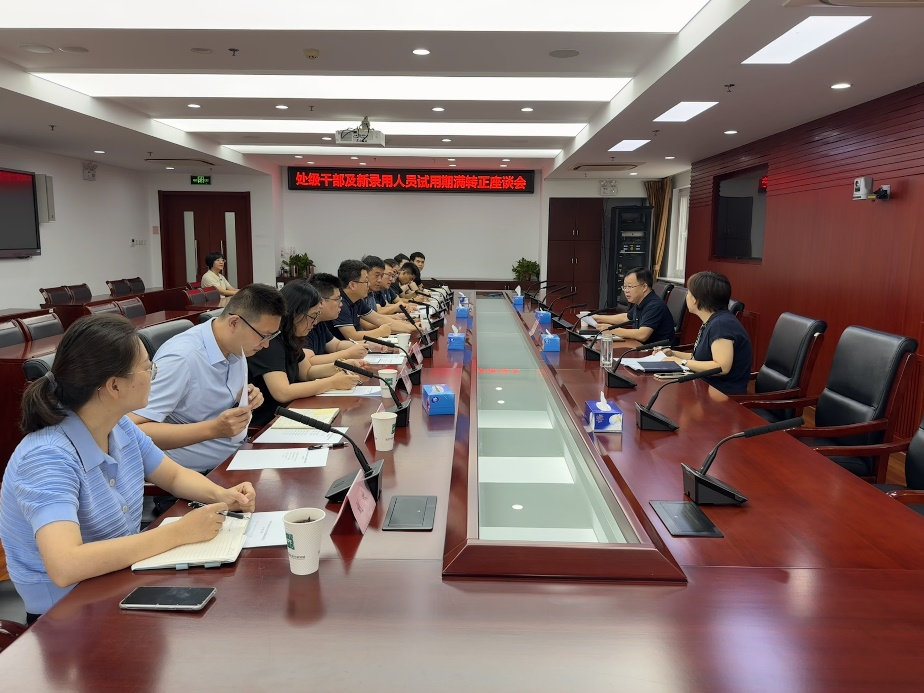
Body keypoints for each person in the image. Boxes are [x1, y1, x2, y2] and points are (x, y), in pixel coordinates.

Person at [0, 314, 256, 621]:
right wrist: (178, 533)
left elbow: (172, 475)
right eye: (148, 368)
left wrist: (222, 496)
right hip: (67, 616)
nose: (153, 374)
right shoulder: (47, 457)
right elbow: (66, 564)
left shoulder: (119, 425)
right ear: (114, 386)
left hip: (120, 581)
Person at [129, 284, 284, 473]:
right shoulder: (182, 359)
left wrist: (245, 396)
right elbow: (133, 429)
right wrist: (214, 429)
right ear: (234, 323)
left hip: (236, 456)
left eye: (271, 336)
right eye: (263, 336)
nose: (266, 345)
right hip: (196, 475)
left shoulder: (236, 347)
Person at [247, 280, 367, 428]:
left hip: (290, 412)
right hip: (267, 423)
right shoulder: (269, 343)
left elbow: (307, 372)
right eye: (313, 316)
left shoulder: (291, 336)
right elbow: (282, 392)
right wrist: (332, 382)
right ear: (295, 313)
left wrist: (340, 366)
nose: (315, 322)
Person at [656, 271, 752, 395]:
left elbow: (721, 367)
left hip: (721, 396)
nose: (686, 296)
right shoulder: (712, 320)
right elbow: (700, 359)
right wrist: (673, 354)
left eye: (688, 292)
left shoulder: (721, 325)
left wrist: (681, 362)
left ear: (695, 300)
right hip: (704, 387)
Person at [590, 267, 675, 345]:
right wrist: (597, 318)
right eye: (625, 287)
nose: (626, 291)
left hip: (656, 352)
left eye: (630, 287)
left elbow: (642, 335)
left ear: (644, 287)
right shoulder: (641, 301)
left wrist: (612, 330)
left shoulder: (655, 305)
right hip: (639, 347)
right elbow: (626, 317)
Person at [306, 273, 370, 364]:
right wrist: (347, 353)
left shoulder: (319, 322)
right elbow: (309, 361)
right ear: (320, 302)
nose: (341, 304)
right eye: (337, 299)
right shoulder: (304, 324)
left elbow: (336, 345)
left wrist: (368, 345)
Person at [331, 260, 396, 341]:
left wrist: (409, 327)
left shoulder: (357, 301)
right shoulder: (340, 303)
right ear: (352, 285)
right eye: (366, 281)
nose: (369, 284)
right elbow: (352, 336)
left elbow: (378, 318)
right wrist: (380, 331)